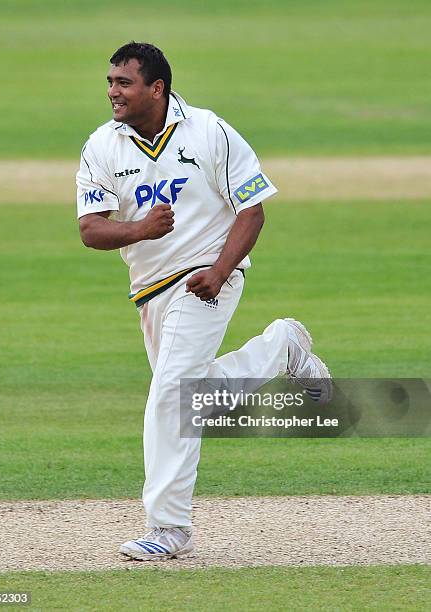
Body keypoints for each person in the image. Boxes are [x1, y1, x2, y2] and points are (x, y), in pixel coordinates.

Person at [76, 42, 331, 561]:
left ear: (157, 87)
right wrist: (140, 229)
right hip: (149, 291)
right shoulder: (103, 145)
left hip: (206, 278)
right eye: (110, 82)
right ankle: (282, 347)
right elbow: (90, 229)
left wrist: (219, 269)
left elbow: (252, 210)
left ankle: (168, 528)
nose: (113, 92)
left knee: (171, 393)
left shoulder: (209, 132)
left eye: (124, 83)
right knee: (194, 397)